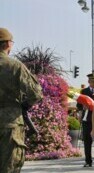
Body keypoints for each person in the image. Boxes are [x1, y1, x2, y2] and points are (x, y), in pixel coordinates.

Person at [0, 28, 43, 173]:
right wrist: (24, 105)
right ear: (7, 44)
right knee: (9, 168)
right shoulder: (14, 66)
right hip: (10, 124)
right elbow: (36, 93)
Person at [77, 72, 94, 167]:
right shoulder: (84, 91)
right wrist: (81, 111)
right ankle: (88, 161)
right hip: (87, 119)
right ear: (88, 81)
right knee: (87, 141)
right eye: (92, 81)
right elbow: (79, 104)